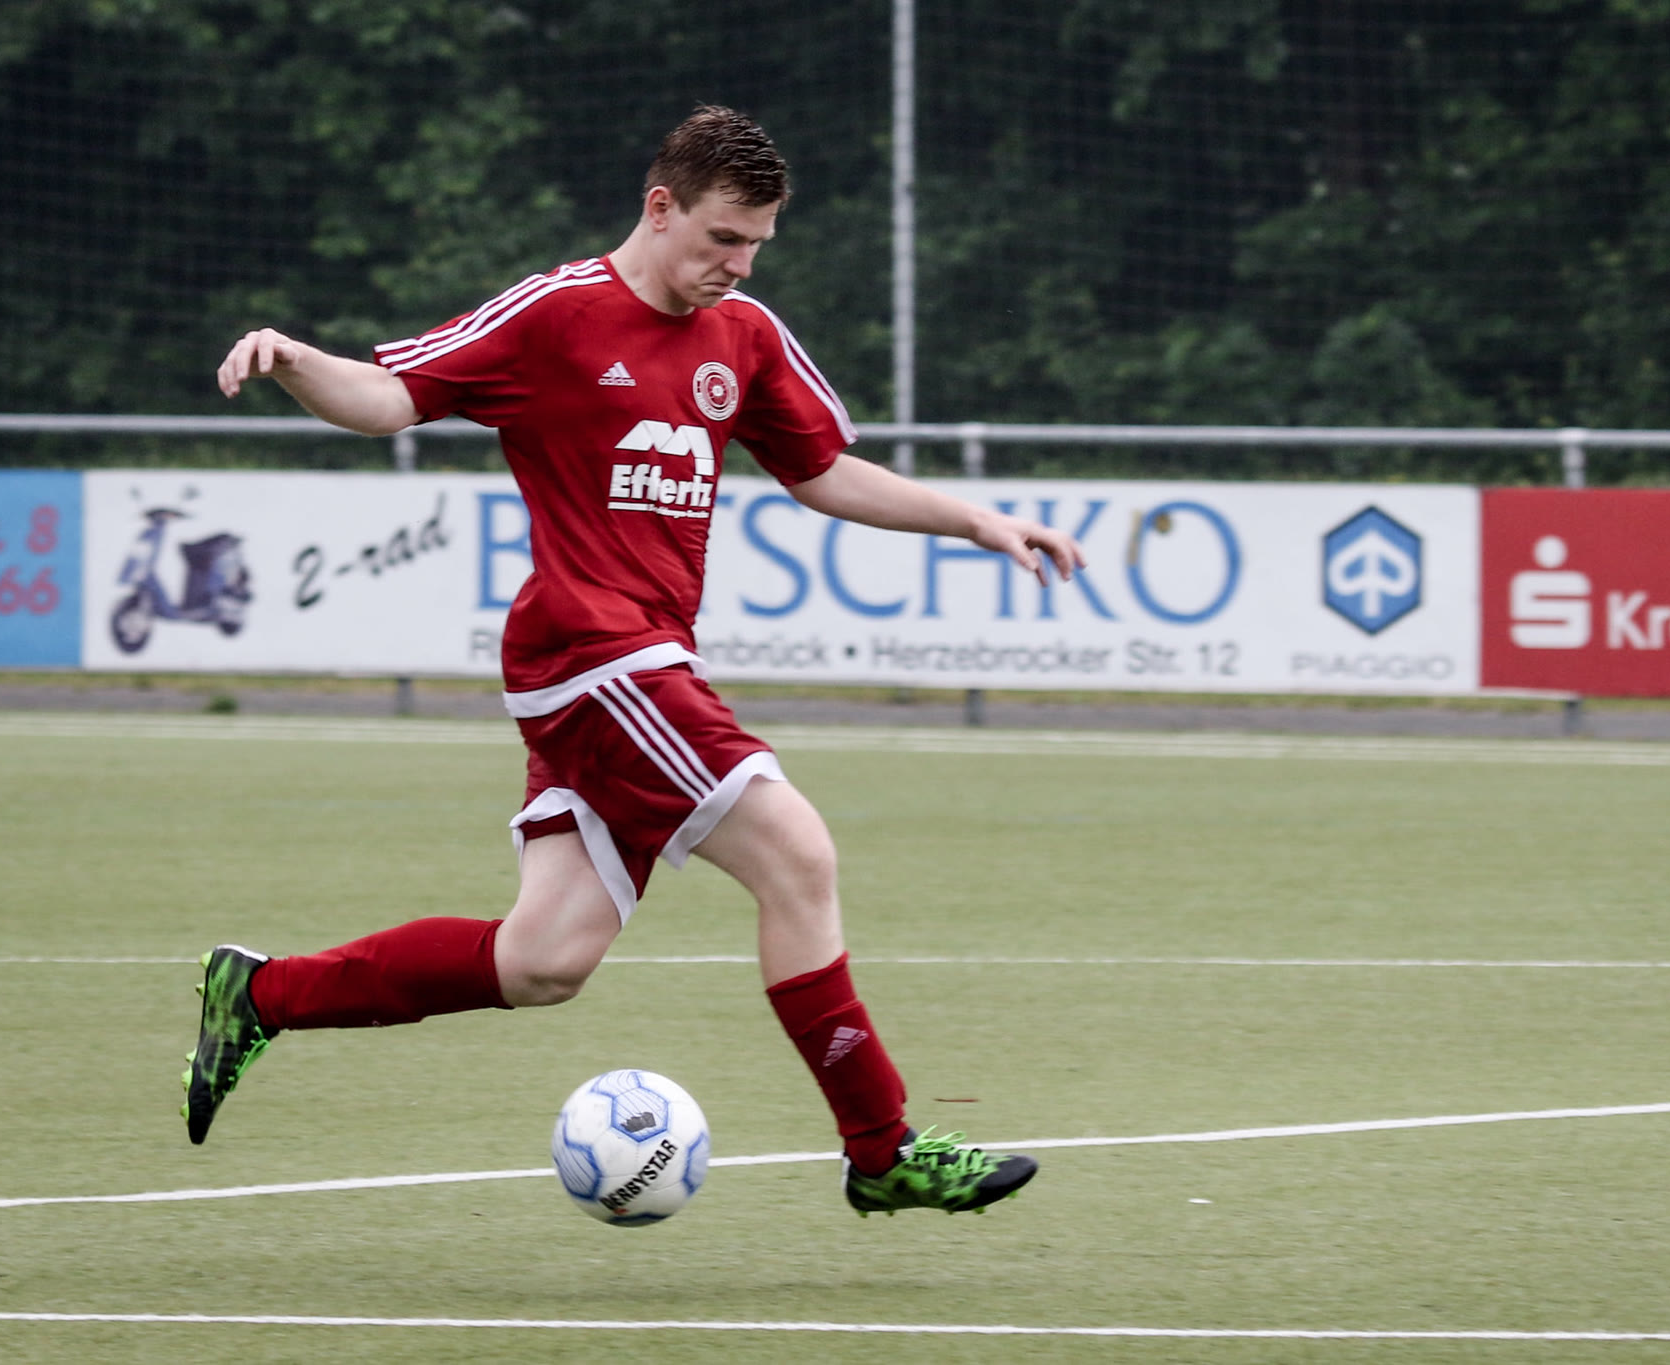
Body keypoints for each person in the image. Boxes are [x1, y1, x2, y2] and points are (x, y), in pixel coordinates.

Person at [194, 105, 1083, 1218]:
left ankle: (261, 996)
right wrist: (294, 360)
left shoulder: (743, 334)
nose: (739, 265)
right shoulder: (556, 313)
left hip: (631, 663)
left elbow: (820, 470)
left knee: (544, 959)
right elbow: (390, 399)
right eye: (722, 238)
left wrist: (973, 520)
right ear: (660, 208)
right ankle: (881, 1147)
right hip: (593, 651)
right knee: (796, 854)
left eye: (756, 244)